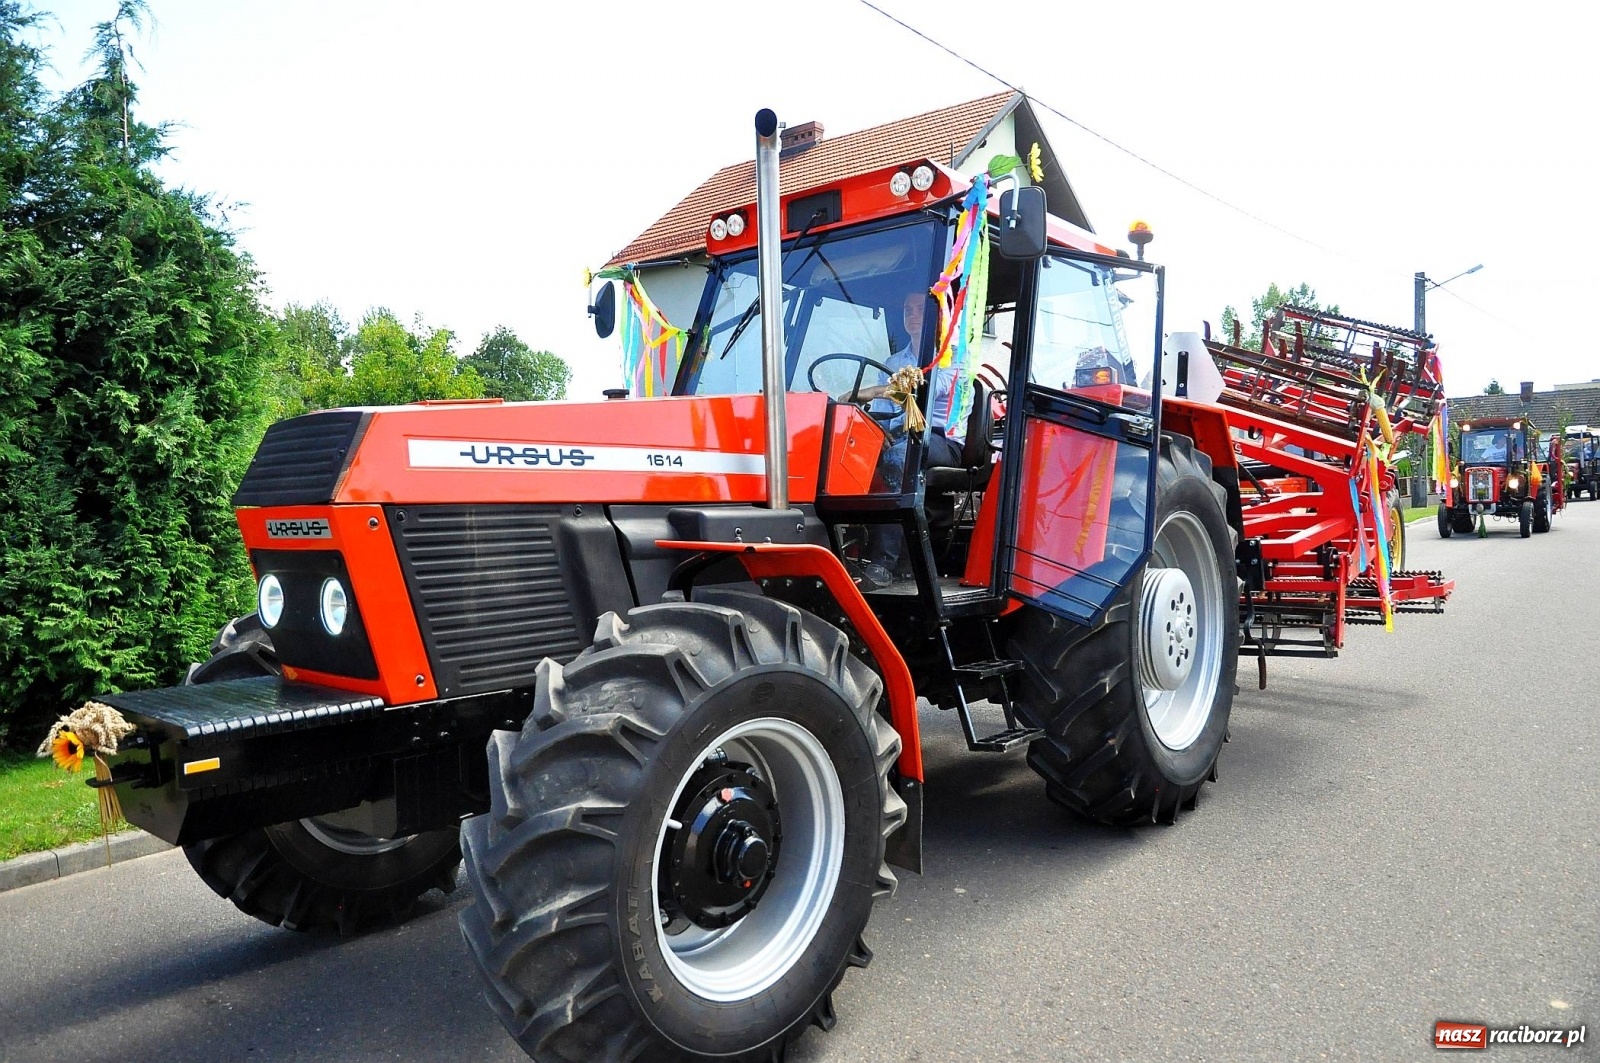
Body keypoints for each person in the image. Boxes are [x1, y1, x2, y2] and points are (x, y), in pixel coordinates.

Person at [846, 291, 969, 586]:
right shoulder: (894, 360)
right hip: (904, 437)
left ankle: (883, 562)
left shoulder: (954, 358)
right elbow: (884, 411)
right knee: (850, 455)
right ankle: (846, 550)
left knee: (899, 458)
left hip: (944, 441)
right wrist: (881, 433)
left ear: (938, 317)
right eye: (907, 309)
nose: (912, 314)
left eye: (919, 309)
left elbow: (925, 389)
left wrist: (874, 391)